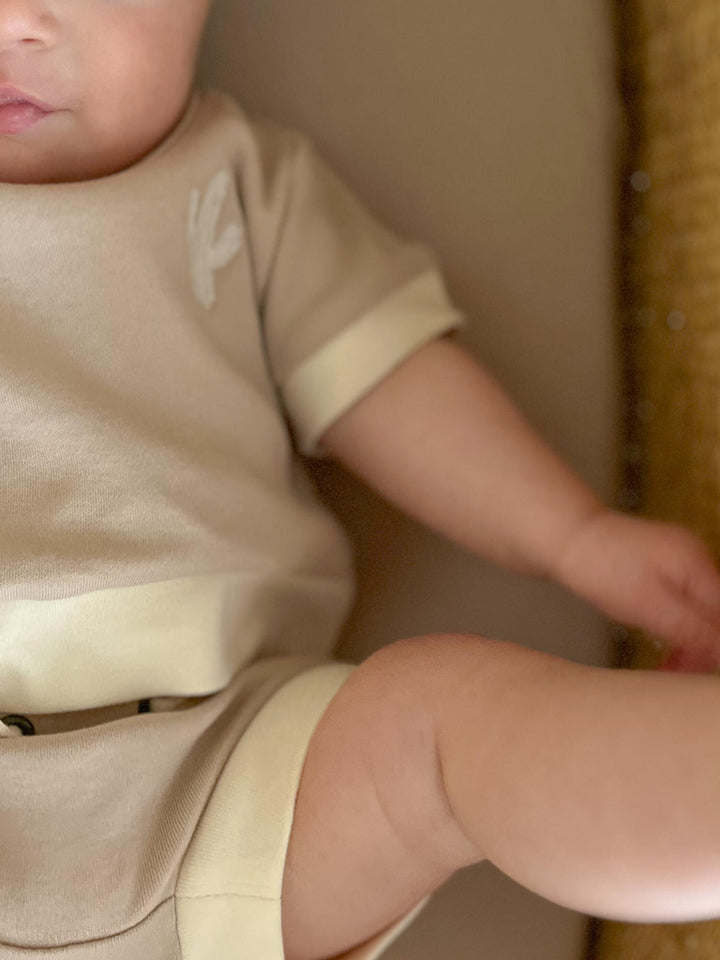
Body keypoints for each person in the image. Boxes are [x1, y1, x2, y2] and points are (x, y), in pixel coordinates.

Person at [2, 2, 720, 959]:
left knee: (443, 726)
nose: (14, 23)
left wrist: (572, 534)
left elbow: (385, 379)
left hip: (230, 777)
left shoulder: (238, 186)